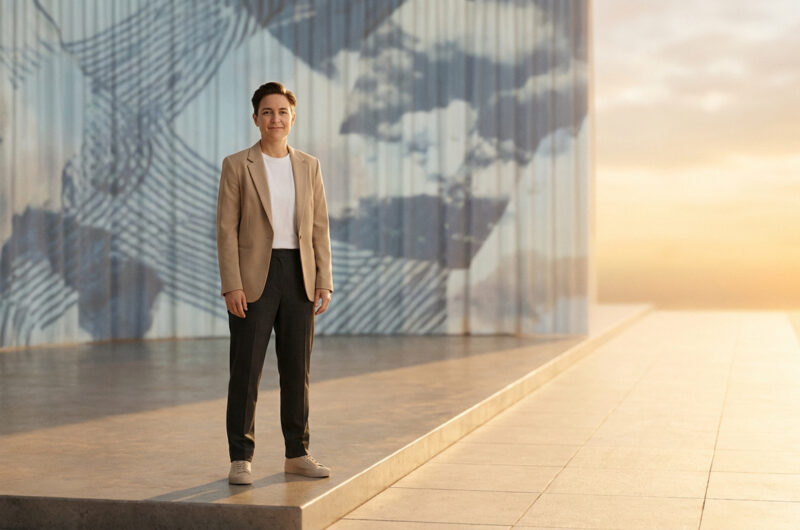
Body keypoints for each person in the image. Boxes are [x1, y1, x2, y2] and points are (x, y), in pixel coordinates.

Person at [216, 81, 333, 484]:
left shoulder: (309, 165)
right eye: (267, 112)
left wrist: (324, 281)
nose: (275, 119)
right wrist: (232, 285)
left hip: (299, 276)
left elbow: (319, 228)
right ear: (256, 119)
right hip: (253, 278)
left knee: (296, 370)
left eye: (282, 112)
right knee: (245, 370)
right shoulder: (237, 165)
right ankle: (240, 457)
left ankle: (297, 453)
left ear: (292, 118)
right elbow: (226, 230)